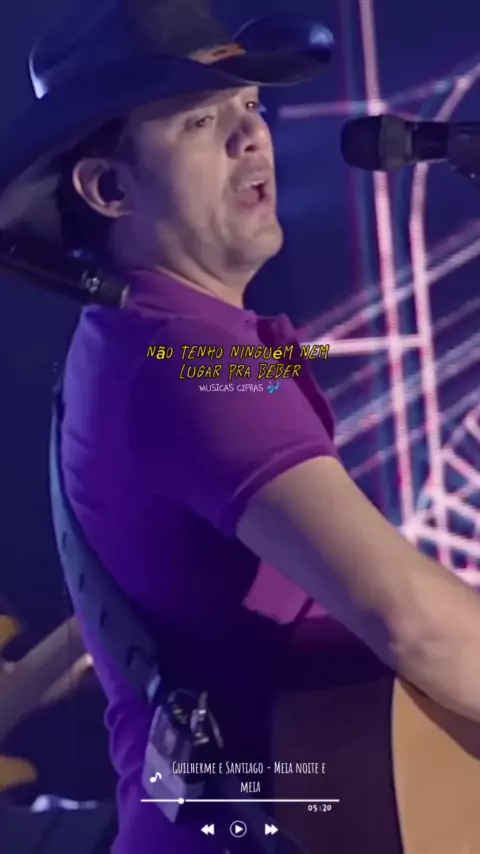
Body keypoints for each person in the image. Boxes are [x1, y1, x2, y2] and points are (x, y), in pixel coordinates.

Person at [1, 1, 480, 851]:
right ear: (109, 189)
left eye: (250, 105)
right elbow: (411, 621)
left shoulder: (149, 342)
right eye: (200, 119)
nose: (252, 135)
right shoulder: (187, 360)